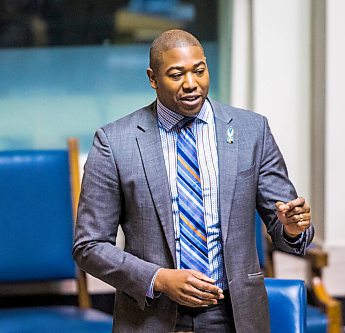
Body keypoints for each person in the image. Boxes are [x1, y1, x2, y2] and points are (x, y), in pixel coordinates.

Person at [73, 29, 314, 333]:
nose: (191, 84)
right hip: (152, 316)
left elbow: (286, 230)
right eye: (176, 75)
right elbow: (89, 246)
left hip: (235, 315)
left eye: (199, 71)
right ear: (152, 78)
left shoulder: (251, 131)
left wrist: (292, 228)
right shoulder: (115, 142)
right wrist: (157, 278)